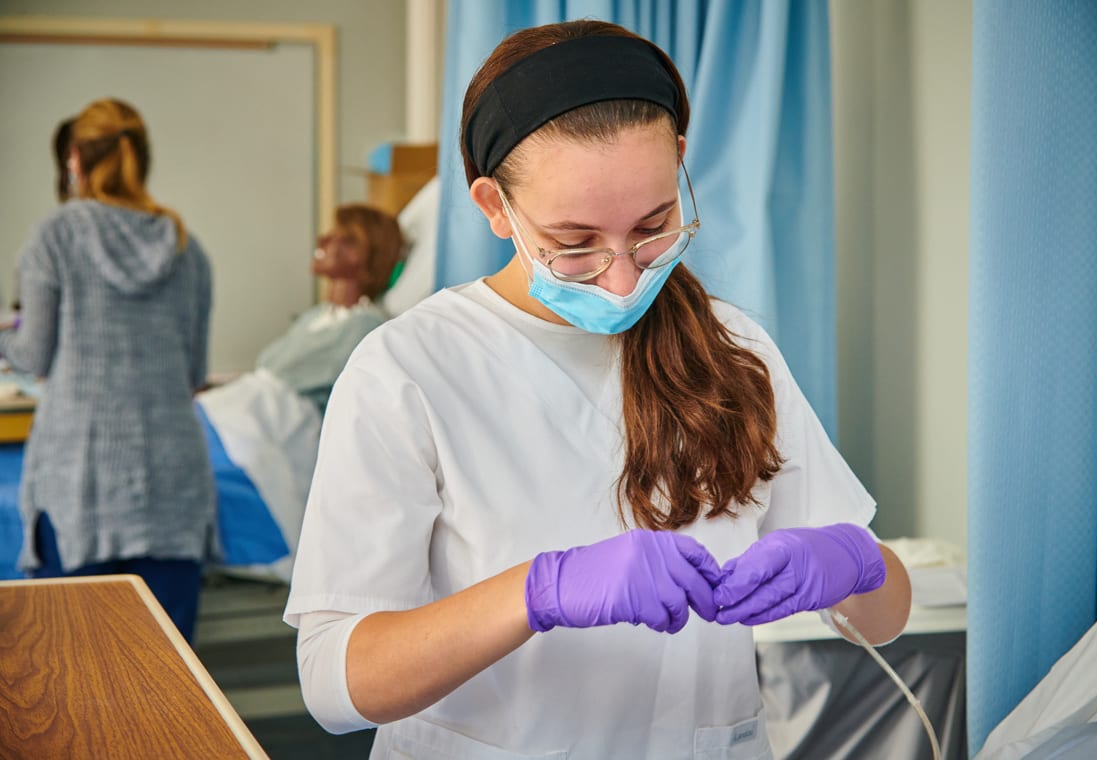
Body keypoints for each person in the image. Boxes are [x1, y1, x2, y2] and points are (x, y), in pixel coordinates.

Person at [284, 19, 911, 758]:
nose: (623, 277)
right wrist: (537, 593)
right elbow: (334, 685)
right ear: (494, 207)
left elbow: (886, 615)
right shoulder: (411, 369)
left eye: (652, 228)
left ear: (679, 163)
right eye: (575, 244)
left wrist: (850, 564)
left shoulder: (734, 349)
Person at [0, 98, 213, 642]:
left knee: (70, 679)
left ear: (74, 159)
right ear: (140, 157)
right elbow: (193, 370)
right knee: (170, 683)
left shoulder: (56, 235)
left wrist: (11, 334)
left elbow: (34, 356)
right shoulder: (186, 248)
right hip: (173, 486)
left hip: (79, 488)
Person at [194, 204, 404, 580]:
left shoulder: (369, 327)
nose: (325, 241)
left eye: (344, 239)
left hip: (279, 425)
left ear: (367, 255)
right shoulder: (316, 317)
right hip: (243, 406)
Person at [252, 204, 404, 415]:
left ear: (361, 253)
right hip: (252, 408)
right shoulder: (317, 316)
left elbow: (286, 375)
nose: (322, 240)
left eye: (338, 236)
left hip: (275, 423)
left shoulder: (365, 325)